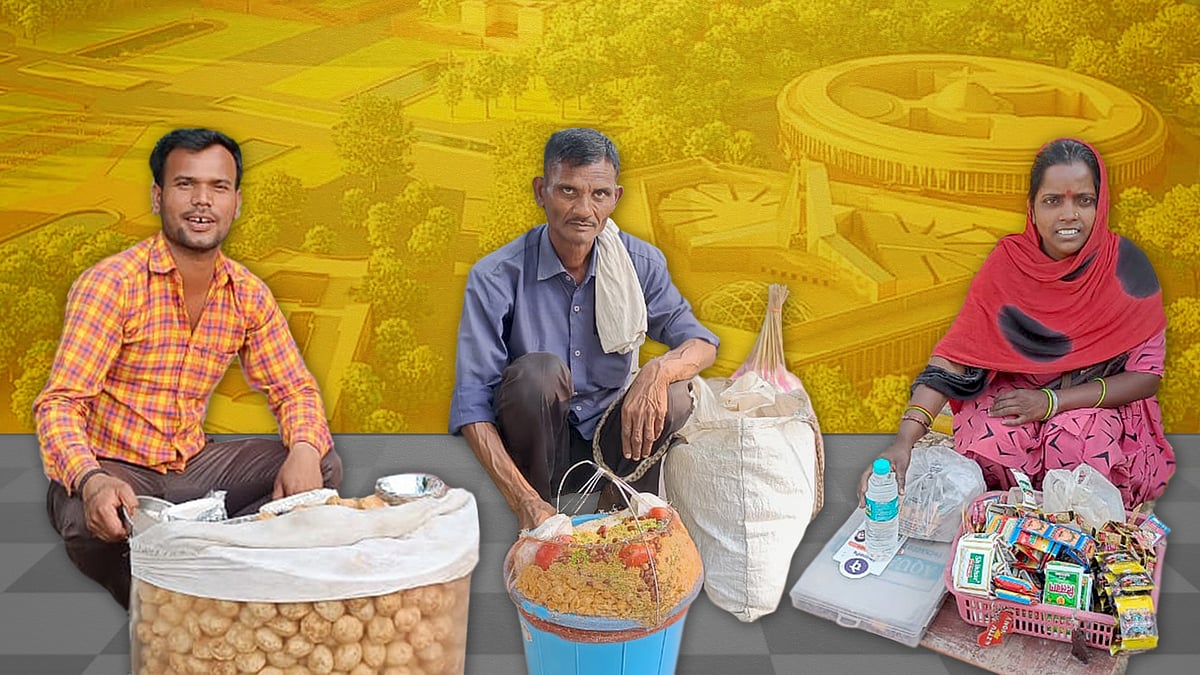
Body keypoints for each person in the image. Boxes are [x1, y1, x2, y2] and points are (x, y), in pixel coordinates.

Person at [35, 128, 342, 608]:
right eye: (185, 185)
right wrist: (92, 479)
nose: (203, 201)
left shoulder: (247, 293)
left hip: (192, 469)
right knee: (84, 511)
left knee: (319, 463)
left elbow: (295, 389)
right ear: (158, 197)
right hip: (119, 471)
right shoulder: (112, 284)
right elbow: (60, 404)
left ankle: (217, 562)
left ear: (235, 202)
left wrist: (303, 446)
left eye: (218, 187)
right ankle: (172, 586)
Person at [859, 138, 1174, 510]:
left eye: (1083, 200)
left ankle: (1072, 531)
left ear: (1101, 205)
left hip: (1094, 399)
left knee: (1081, 442)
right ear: (1032, 209)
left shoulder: (1126, 268)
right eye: (1053, 200)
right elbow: (957, 357)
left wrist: (1052, 401)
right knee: (989, 439)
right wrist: (904, 441)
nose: (1069, 214)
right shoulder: (1008, 264)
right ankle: (1009, 526)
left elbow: (1145, 375)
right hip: (1018, 392)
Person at [450, 128, 719, 530]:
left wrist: (658, 371)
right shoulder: (496, 276)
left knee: (677, 390)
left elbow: (701, 343)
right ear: (541, 191)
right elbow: (472, 403)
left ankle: (620, 513)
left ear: (616, 198)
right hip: (537, 446)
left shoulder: (639, 263)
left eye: (599, 194)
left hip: (615, 439)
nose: (583, 210)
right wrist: (523, 500)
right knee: (538, 373)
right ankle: (540, 519)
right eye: (568, 191)